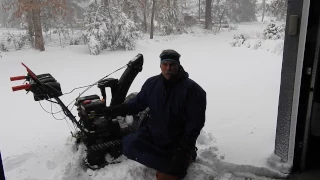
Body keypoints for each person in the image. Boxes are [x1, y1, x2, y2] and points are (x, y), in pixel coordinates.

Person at [105, 49, 206, 180]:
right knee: (129, 144)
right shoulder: (152, 84)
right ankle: (168, 163)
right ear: (160, 66)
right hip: (154, 133)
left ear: (178, 66)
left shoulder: (193, 90)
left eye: (172, 64)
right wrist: (115, 110)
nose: (168, 68)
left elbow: (194, 125)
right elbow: (136, 104)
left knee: (166, 175)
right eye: (165, 64)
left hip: (177, 141)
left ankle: (182, 160)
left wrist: (184, 149)